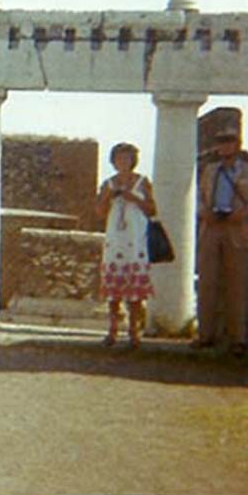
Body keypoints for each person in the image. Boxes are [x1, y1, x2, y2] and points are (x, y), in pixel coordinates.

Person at [194, 126, 248, 356]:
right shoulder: (210, 170)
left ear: (236, 145)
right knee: (207, 282)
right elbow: (200, 197)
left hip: (237, 229)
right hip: (212, 226)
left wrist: (246, 212)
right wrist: (204, 213)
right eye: (221, 142)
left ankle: (238, 338)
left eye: (228, 142)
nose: (224, 146)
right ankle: (204, 334)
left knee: (237, 285)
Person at [95, 142, 157, 348]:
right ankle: (112, 329)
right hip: (115, 240)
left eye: (127, 158)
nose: (123, 162)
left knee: (135, 292)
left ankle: (134, 331)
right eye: (120, 158)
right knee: (114, 291)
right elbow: (99, 212)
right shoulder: (108, 183)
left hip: (135, 238)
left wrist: (133, 198)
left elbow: (152, 210)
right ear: (114, 161)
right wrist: (107, 197)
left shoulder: (142, 182)